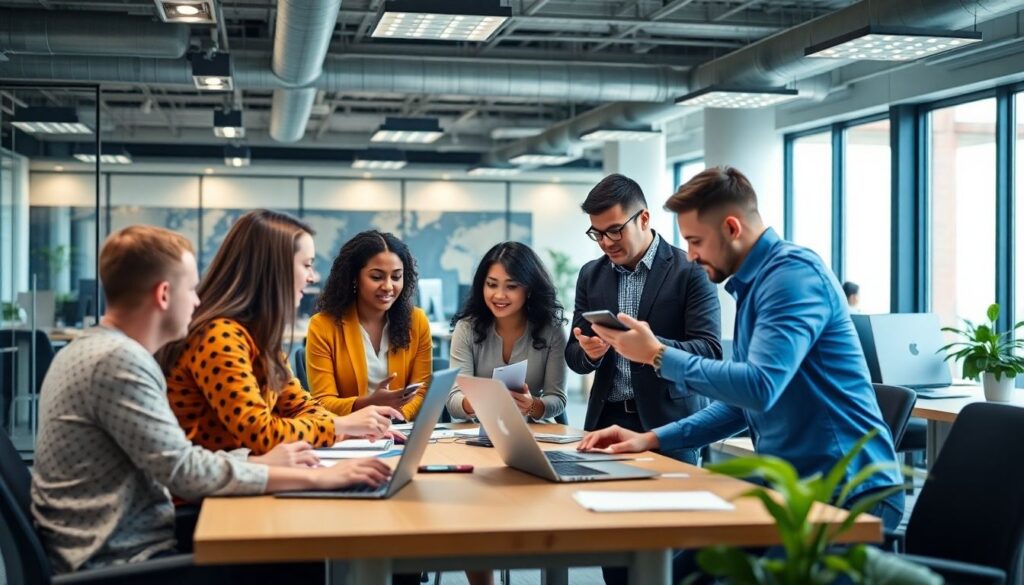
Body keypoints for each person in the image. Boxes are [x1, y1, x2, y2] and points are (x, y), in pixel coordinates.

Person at [579, 167, 905, 582]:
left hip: (848, 495)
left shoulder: (792, 277)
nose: (691, 255)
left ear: (731, 227)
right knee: (674, 574)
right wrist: (652, 438)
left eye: (696, 241)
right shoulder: (754, 288)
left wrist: (658, 355)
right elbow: (743, 403)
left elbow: (760, 386)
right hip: (793, 492)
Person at [31, 226, 392, 579]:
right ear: (163, 295)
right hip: (121, 560)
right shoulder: (117, 361)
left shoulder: (103, 349)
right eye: (191, 289)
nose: (199, 301)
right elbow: (185, 473)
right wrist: (322, 479)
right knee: (314, 556)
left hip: (126, 541)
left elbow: (181, 462)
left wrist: (259, 463)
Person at [161, 211, 401, 455]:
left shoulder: (259, 337)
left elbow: (299, 405)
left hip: (247, 479)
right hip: (212, 490)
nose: (312, 277)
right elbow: (259, 434)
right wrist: (342, 424)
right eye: (307, 265)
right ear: (275, 269)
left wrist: (353, 428)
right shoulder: (219, 336)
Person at [564, 173, 722, 466]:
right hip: (606, 421)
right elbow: (573, 356)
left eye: (614, 230)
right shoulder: (591, 274)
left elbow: (710, 351)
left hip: (670, 424)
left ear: (644, 218)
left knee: (669, 511)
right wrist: (589, 353)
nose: (605, 243)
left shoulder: (690, 270)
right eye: (597, 233)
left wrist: (652, 347)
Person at [306, 230, 433, 422]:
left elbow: (422, 390)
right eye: (376, 277)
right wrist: (367, 404)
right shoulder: (322, 326)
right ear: (354, 277)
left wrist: (395, 419)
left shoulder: (417, 321)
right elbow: (322, 402)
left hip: (399, 434)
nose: (389, 286)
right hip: (348, 436)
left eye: (396, 277)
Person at [447, 241, 568, 423]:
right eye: (492, 284)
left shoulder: (552, 330)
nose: (499, 295)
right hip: (478, 433)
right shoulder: (466, 328)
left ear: (528, 289)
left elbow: (557, 399)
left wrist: (532, 405)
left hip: (533, 432)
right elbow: (453, 400)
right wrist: (475, 402)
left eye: (511, 286)